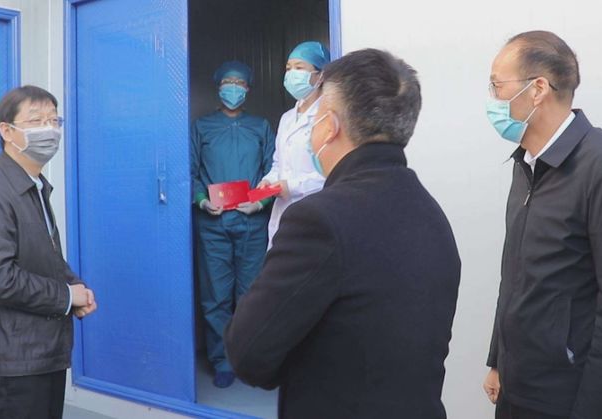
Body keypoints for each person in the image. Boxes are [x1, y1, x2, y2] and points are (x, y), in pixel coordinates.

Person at [225, 48, 461, 418]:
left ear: (330, 125)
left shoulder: (318, 221)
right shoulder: (432, 215)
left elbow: (249, 353)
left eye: (317, 115)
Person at [483, 31, 602, 419]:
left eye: (497, 86)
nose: (492, 99)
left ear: (538, 89)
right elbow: (514, 273)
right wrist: (497, 359)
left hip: (565, 395)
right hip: (516, 386)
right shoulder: (526, 163)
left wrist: (595, 408)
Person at [0, 85, 97, 419]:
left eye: (54, 120)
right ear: (7, 131)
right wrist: (66, 296)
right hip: (14, 360)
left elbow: (44, 256)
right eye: (36, 121)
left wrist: (75, 286)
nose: (49, 130)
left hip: (45, 351)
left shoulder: (34, 186)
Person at [190, 60, 276, 388]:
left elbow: (274, 171)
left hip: (252, 222)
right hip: (213, 223)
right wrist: (201, 200)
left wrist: (261, 201)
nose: (234, 88)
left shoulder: (260, 127)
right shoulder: (202, 127)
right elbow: (190, 171)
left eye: (240, 83)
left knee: (252, 295)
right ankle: (222, 360)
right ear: (218, 86)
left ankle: (249, 359)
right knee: (216, 296)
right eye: (228, 82)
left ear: (248, 89)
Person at [258, 41, 330, 247]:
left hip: (315, 212)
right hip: (282, 213)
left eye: (299, 68)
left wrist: (293, 187)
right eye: (288, 68)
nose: (291, 74)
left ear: (321, 75)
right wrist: (269, 181)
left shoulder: (329, 117)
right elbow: (279, 164)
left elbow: (332, 174)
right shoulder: (287, 118)